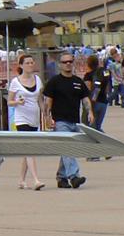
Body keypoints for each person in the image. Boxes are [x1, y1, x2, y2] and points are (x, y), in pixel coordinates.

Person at [43, 52, 93, 188]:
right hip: (60, 121)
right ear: (60, 65)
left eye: (70, 61)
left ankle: (61, 177)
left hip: (75, 121)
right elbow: (48, 101)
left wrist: (90, 113)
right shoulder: (54, 82)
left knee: (68, 149)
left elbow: (85, 99)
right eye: (65, 62)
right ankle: (74, 176)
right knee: (68, 147)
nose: (68, 64)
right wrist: (47, 118)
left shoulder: (78, 81)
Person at [7, 54, 45, 190]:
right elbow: (9, 101)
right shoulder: (15, 82)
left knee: (26, 151)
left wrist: (46, 113)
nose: (30, 65)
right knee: (30, 148)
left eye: (31, 63)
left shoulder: (38, 80)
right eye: (27, 63)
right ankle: (36, 180)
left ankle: (21, 180)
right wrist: (17, 102)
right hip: (21, 119)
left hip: (34, 118)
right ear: (21, 65)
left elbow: (40, 99)